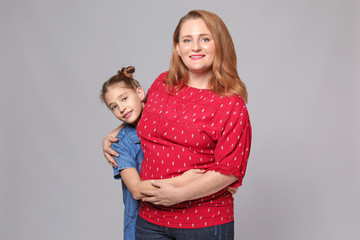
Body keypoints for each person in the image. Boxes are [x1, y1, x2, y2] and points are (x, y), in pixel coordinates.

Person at [103, 10, 252, 240]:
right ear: (178, 47)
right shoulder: (162, 84)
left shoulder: (232, 105)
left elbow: (229, 171)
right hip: (150, 221)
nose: (195, 47)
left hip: (203, 223)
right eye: (187, 40)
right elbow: (141, 119)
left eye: (205, 39)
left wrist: (179, 193)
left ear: (219, 44)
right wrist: (113, 135)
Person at [100, 66, 205, 240]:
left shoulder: (167, 122)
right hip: (143, 223)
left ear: (140, 93)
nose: (121, 108)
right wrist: (186, 180)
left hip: (185, 215)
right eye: (114, 107)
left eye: (124, 99)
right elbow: (136, 190)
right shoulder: (119, 144)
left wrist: (217, 179)